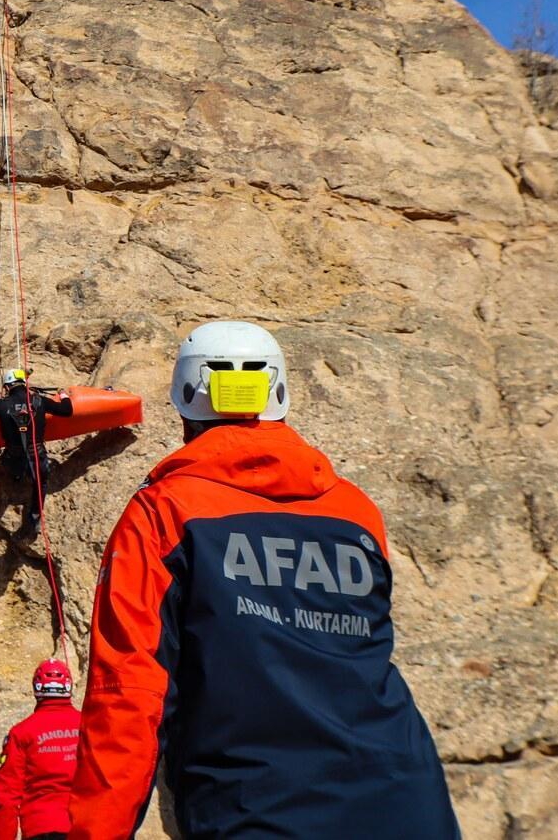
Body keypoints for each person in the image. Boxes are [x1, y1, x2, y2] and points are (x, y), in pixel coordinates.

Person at [68, 322, 458, 839]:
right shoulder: (355, 510)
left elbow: (130, 694)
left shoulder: (165, 512)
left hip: (261, 810)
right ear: (278, 393)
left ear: (186, 400)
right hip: (408, 802)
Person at [0, 368, 74, 534]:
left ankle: (17, 477)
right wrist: (63, 394)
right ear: (24, 384)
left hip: (13, 457)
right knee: (40, 484)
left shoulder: (1, 404)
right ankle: (34, 519)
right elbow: (67, 410)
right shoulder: (39, 400)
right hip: (37, 454)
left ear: (7, 387)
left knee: (9, 465)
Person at [0, 659, 83, 840]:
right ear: (68, 687)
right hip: (86, 825)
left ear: (36, 688)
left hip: (41, 827)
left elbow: (7, 795)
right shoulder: (89, 725)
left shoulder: (21, 733)